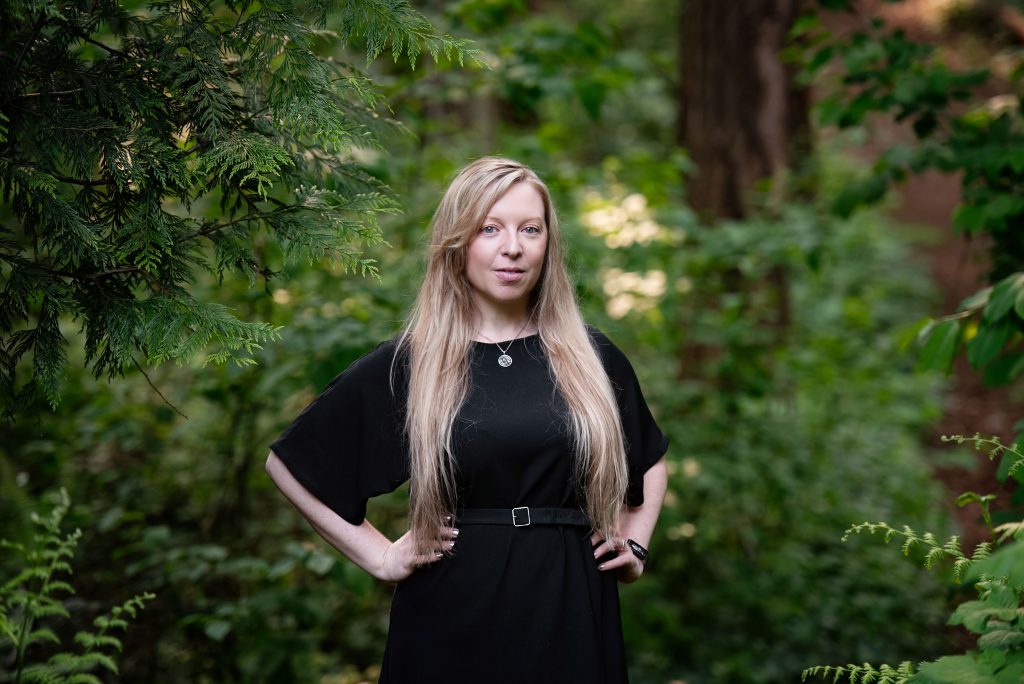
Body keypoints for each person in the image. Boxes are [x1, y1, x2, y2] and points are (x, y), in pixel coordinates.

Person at [265, 156, 669, 683]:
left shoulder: (590, 356)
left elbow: (650, 460)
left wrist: (635, 546)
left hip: (570, 602)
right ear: (458, 242)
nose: (513, 247)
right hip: (453, 611)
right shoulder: (414, 362)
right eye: (490, 229)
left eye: (530, 229)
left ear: (548, 243)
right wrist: (382, 558)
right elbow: (293, 465)